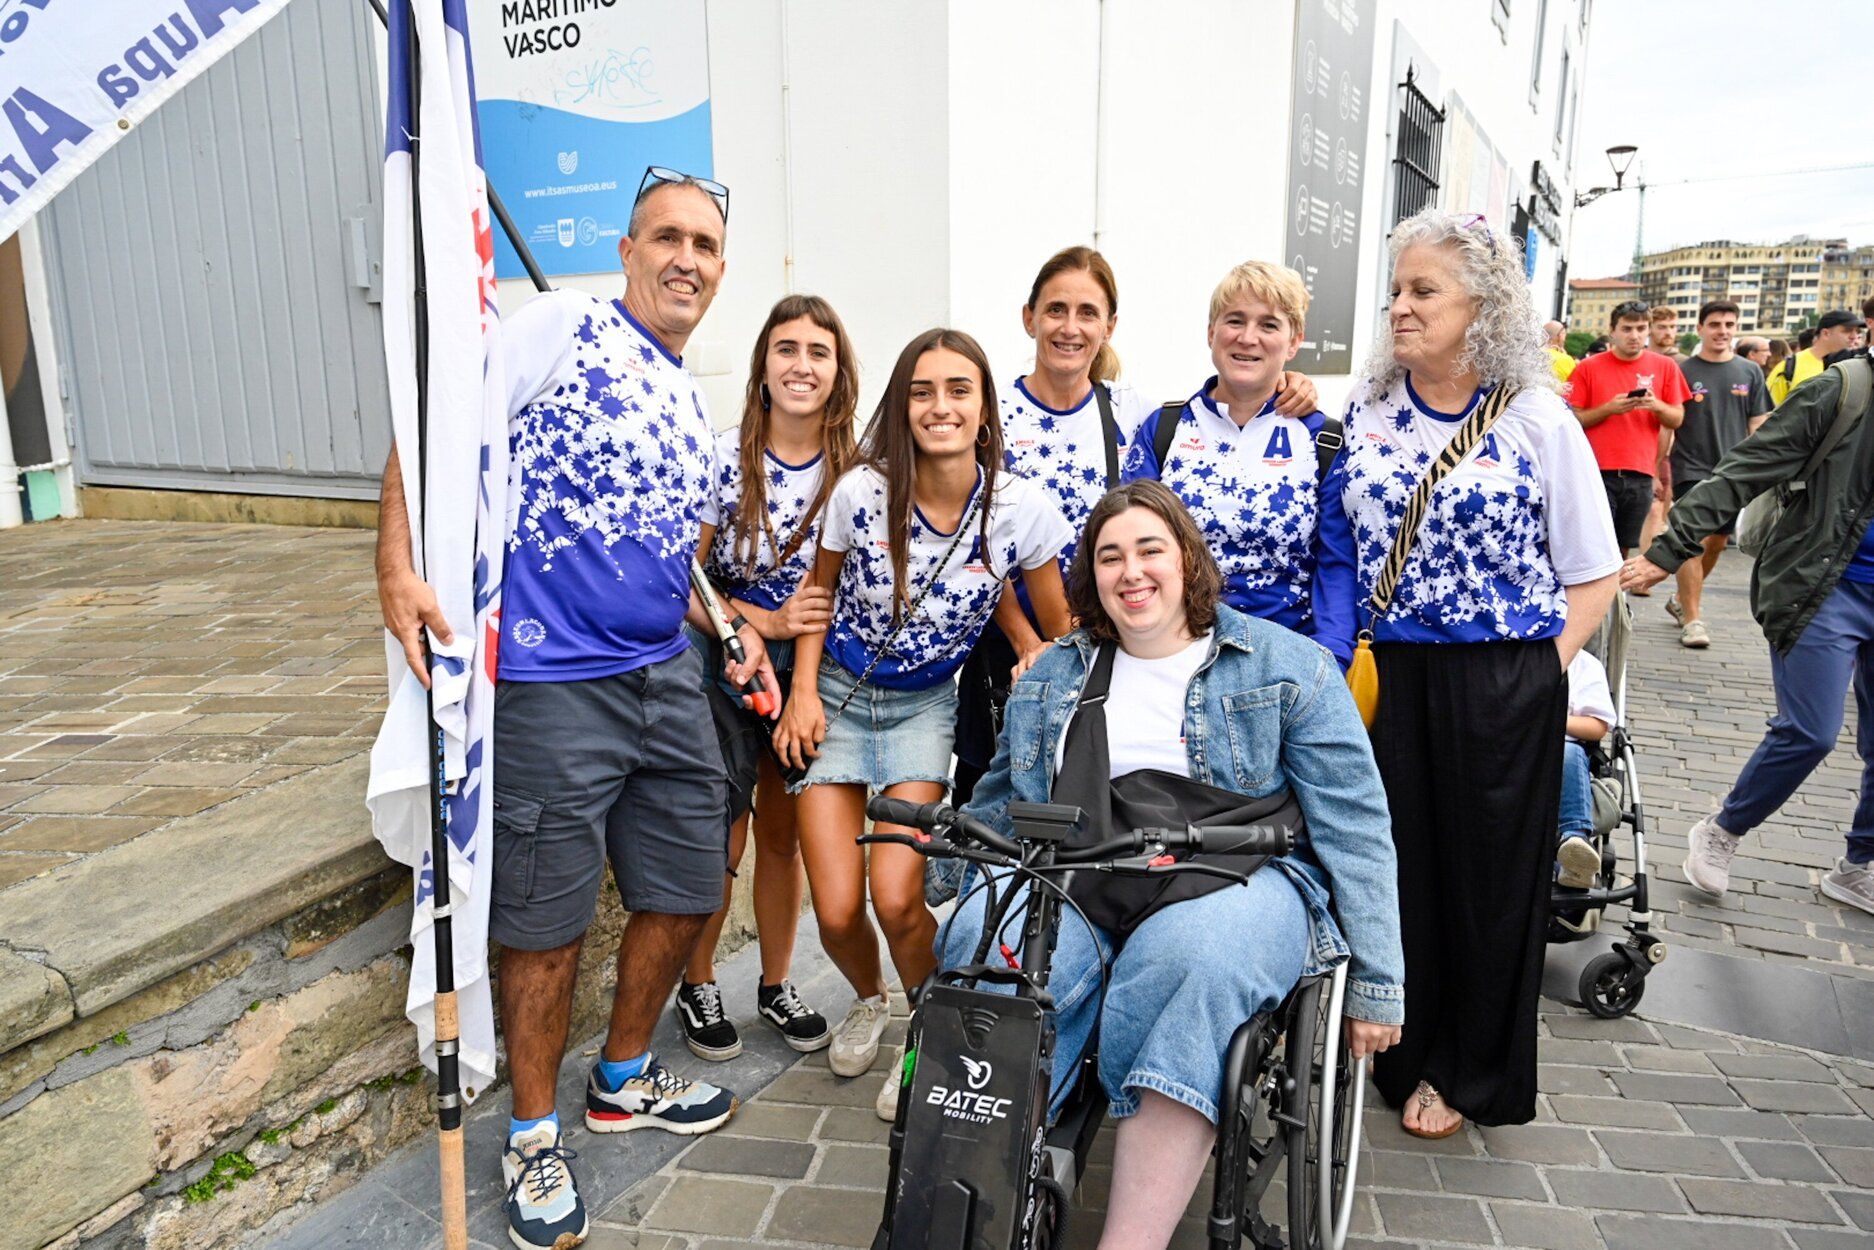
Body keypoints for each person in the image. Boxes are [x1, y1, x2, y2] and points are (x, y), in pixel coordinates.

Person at [376, 170, 753, 1249]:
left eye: (706, 245)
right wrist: (393, 566)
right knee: (542, 928)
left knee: (686, 887)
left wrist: (724, 634)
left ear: (720, 270)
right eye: (668, 237)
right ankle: (533, 1135)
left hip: (665, 675)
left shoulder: (686, 395)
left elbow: (671, 547)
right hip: (550, 685)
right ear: (627, 249)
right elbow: (443, 423)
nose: (688, 258)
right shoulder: (562, 325)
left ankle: (621, 1075)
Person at [939, 480, 1403, 1250]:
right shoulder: (1056, 671)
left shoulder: (1288, 668)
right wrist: (951, 883)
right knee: (982, 951)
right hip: (1079, 867)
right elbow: (999, 795)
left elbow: (1356, 825)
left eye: (1150, 549)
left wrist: (1379, 983)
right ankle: (983, 1194)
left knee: (1188, 960)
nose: (1132, 572)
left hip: (1238, 873)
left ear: (1187, 559)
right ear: (1091, 577)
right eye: (1109, 556)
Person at [1330, 208, 1620, 1135]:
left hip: (1502, 681)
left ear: (1481, 308)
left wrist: (1544, 672)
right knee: (1396, 869)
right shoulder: (1366, 408)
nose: (1401, 309)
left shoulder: (1537, 418)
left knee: (1488, 886)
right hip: (1392, 678)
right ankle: (1401, 1043)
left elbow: (1595, 570)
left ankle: (1466, 1072)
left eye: (1425, 292)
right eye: (1397, 292)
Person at [774, 328, 1074, 1119]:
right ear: (902, 406)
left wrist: (1035, 653)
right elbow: (818, 597)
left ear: (983, 410)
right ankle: (869, 998)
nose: (940, 406)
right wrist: (802, 691)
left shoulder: (1020, 509)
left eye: (958, 390)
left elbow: (1063, 627)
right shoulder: (860, 492)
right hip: (837, 696)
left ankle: (928, 1030)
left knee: (898, 896)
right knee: (836, 907)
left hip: (924, 706)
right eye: (922, 391)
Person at [953, 246, 1317, 802]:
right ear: (1028, 318)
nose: (1069, 328)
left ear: (1110, 326)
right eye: (1055, 310)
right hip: (1013, 646)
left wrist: (1292, 386)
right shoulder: (990, 416)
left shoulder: (1133, 411)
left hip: (1103, 643)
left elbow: (1217, 409)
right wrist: (1029, 641)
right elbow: (972, 538)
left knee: (1087, 798)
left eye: (1087, 313)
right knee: (997, 803)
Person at [677, 295, 863, 1062]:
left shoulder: (854, 475)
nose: (801, 365)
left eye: (818, 352)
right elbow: (682, 577)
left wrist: (798, 666)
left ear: (838, 373)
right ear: (763, 368)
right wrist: (755, 624)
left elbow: (829, 599)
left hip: (804, 669)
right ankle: (697, 981)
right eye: (786, 349)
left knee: (783, 836)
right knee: (724, 827)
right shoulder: (723, 458)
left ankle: (775, 982)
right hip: (723, 658)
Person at [1623, 353, 1874, 916]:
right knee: (1811, 732)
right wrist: (1669, 549)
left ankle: (1858, 866)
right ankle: (1723, 829)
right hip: (1825, 585)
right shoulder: (1842, 391)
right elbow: (1743, 469)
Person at [1123, 260, 1355, 664]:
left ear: (1294, 341)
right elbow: (1130, 543)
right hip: (1173, 654)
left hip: (1284, 659)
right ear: (1211, 331)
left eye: (1269, 325)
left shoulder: (1324, 440)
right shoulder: (1163, 429)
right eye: (1235, 320)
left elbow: (1335, 566)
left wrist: (1332, 658)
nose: (1248, 338)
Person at [1664, 299, 1772, 649]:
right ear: (1700, 329)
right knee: (1691, 541)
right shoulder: (1682, 369)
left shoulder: (1749, 371)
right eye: (1714, 324)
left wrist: (1760, 466)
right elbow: (1669, 421)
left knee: (1717, 543)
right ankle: (1693, 619)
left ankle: (1682, 599)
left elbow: (1758, 423)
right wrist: (1659, 468)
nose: (1722, 331)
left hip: (1733, 470)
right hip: (1689, 467)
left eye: (1728, 324)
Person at [1566, 299, 1688, 556]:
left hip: (1640, 472)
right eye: (1627, 329)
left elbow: (1676, 418)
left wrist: (1656, 405)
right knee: (1594, 547)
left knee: (1622, 548)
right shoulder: (1588, 367)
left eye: (1641, 329)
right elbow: (1570, 420)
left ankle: (1614, 596)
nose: (1635, 336)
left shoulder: (1665, 367)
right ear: (1613, 330)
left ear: (1649, 330)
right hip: (1595, 470)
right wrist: (1608, 409)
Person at [1556, 649, 1616, 889]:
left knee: (1568, 753)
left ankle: (1575, 842)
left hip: (1559, 751)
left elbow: (1597, 726)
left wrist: (1551, 718)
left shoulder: (1582, 664)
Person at [1770, 315, 1856, 404]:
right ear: (1826, 333)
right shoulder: (1791, 366)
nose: (1854, 336)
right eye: (1847, 331)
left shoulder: (1842, 366)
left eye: (1856, 331)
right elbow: (1768, 410)